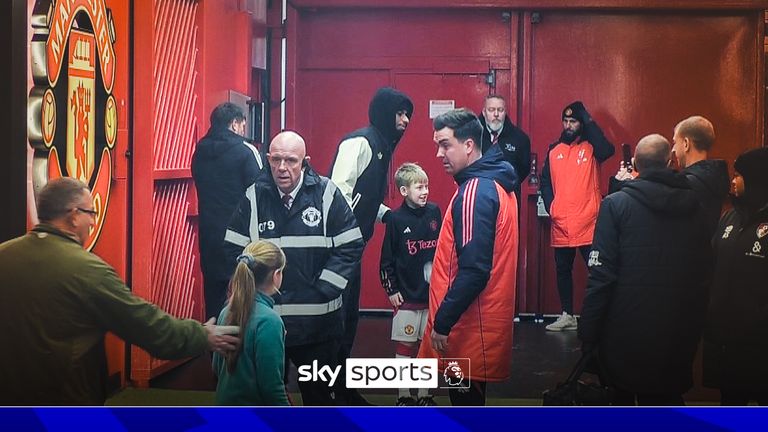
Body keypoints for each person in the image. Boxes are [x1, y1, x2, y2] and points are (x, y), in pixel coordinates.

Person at [0, 177, 240, 405]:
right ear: (74, 216)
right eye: (90, 212)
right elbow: (146, 325)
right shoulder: (88, 270)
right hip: (65, 403)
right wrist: (202, 336)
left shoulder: (5, 255)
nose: (93, 221)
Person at [224, 131, 364, 405]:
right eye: (276, 160)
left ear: (305, 162)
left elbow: (351, 245)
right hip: (264, 325)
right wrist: (254, 293)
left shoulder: (327, 194)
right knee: (265, 398)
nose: (282, 168)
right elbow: (233, 249)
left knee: (321, 400)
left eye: (290, 161)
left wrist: (324, 289)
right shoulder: (254, 197)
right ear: (267, 159)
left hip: (318, 328)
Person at [578, 135, 712, 406]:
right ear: (669, 160)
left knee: (622, 402)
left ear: (636, 163)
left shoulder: (616, 205)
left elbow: (602, 276)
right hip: (676, 330)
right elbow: (704, 272)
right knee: (667, 400)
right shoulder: (696, 207)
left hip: (623, 331)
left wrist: (588, 332)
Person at [418, 109, 518, 406]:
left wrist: (443, 322)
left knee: (464, 407)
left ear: (469, 145)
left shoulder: (476, 191)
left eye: (446, 145)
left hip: (467, 327)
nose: (439, 154)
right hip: (478, 324)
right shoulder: (495, 184)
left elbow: (474, 269)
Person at [328, 86, 413, 404]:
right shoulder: (360, 142)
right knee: (338, 317)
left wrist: (389, 216)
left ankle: (340, 385)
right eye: (400, 114)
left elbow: (365, 199)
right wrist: (345, 237)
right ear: (384, 113)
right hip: (337, 248)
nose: (405, 121)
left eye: (408, 115)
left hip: (351, 246)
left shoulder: (381, 146)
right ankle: (331, 389)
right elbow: (339, 192)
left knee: (350, 316)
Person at [540, 101, 615, 331]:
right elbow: (545, 181)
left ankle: (605, 315)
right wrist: (553, 207)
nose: (569, 125)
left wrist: (588, 120)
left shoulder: (592, 147)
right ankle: (567, 315)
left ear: (581, 123)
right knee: (563, 270)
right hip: (561, 221)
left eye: (573, 121)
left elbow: (608, 150)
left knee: (598, 270)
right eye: (566, 121)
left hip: (588, 222)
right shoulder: (554, 150)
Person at [703, 146, 768, 406]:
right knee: (731, 404)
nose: (733, 180)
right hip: (725, 342)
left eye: (739, 175)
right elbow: (711, 262)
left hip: (760, 343)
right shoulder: (730, 217)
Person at [379, 163, 442, 406]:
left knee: (427, 348)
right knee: (405, 347)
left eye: (426, 186)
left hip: (431, 297)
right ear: (404, 191)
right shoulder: (395, 219)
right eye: (419, 187)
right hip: (406, 297)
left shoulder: (435, 212)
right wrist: (391, 289)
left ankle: (425, 395)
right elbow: (386, 260)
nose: (425, 191)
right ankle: (404, 395)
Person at [192, 102, 263, 318]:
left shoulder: (199, 152)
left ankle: (216, 348)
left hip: (209, 236)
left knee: (214, 297)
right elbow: (260, 192)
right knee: (245, 298)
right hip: (241, 238)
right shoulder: (246, 151)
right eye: (243, 124)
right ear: (234, 124)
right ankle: (241, 349)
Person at [214, 240, 290, 406]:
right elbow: (272, 388)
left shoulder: (226, 311)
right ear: (276, 275)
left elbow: (216, 367)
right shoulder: (270, 321)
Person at [671, 116, 730, 237]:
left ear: (686, 144)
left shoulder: (684, 184)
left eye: (675, 142)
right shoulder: (716, 178)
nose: (673, 150)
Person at [478, 94, 531, 196]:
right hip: (479, 196)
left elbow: (524, 169)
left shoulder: (520, 138)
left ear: (505, 112)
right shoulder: (473, 136)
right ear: (484, 112)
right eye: (491, 110)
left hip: (509, 196)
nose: (496, 114)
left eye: (500, 110)